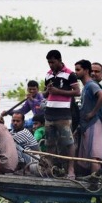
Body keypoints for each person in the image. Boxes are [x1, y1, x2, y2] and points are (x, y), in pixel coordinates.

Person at [43, 50, 81, 178]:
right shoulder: (48, 75)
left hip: (63, 115)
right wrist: (46, 92)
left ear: (59, 60)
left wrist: (58, 91)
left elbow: (77, 92)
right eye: (49, 62)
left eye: (53, 62)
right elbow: (45, 94)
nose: (50, 65)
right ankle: (51, 169)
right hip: (49, 114)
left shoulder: (70, 74)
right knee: (50, 143)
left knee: (68, 143)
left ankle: (71, 170)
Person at [74, 59, 102, 176]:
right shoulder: (86, 87)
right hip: (87, 125)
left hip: (93, 123)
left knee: (94, 156)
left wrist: (93, 113)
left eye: (78, 70)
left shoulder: (91, 85)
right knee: (87, 156)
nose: (76, 72)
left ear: (86, 71)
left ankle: (95, 183)